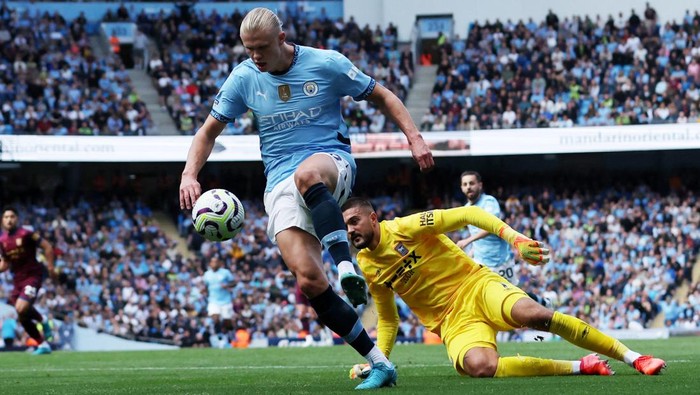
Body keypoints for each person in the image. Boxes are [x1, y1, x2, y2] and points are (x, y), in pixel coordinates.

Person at [178, 7, 434, 389]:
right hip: (278, 183)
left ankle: (346, 266)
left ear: (282, 39)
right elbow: (207, 132)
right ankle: (379, 363)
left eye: (262, 47)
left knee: (307, 174)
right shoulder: (245, 78)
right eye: (249, 49)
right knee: (310, 281)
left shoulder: (326, 63)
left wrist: (414, 138)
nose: (255, 57)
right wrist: (189, 174)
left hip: (330, 162)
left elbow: (383, 96)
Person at [341, 198, 666, 379]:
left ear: (373, 218)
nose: (350, 229)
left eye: (354, 220)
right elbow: (388, 320)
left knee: (535, 314)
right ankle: (583, 366)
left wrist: (516, 238)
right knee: (481, 368)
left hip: (476, 285)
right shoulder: (367, 266)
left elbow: (469, 213)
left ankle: (634, 357)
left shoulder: (407, 226)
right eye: (345, 226)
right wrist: (380, 362)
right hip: (452, 322)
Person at [456, 171, 550, 307]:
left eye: (471, 183)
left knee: (514, 296)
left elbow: (491, 227)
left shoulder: (489, 202)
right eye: (465, 184)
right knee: (480, 297)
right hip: (481, 262)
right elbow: (476, 234)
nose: (468, 187)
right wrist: (472, 251)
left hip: (501, 262)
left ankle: (542, 303)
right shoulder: (466, 209)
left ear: (480, 185)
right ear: (461, 188)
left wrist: (467, 240)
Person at [0, 207, 56, 355]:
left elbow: (47, 247)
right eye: (6, 217)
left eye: (12, 216)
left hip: (33, 275)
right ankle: (43, 344)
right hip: (17, 280)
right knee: (22, 316)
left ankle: (43, 320)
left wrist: (50, 267)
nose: (9, 220)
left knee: (21, 308)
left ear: (17, 219)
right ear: (2, 221)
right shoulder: (3, 240)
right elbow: (5, 264)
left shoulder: (27, 234)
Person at [202, 255, 235, 347]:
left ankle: (231, 336)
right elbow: (206, 286)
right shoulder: (207, 274)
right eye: (212, 262)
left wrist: (227, 285)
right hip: (213, 300)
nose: (214, 264)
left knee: (226, 322)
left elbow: (234, 283)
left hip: (225, 301)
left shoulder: (225, 272)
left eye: (216, 262)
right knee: (215, 318)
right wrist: (203, 290)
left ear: (220, 263)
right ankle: (220, 338)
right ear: (210, 263)